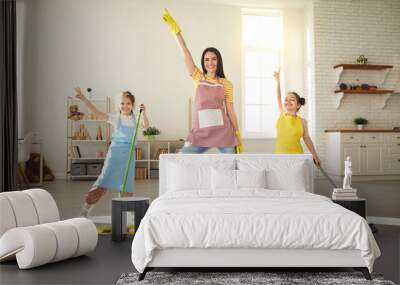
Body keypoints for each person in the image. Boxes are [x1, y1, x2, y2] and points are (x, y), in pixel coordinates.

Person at [162, 9, 243, 154]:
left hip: (223, 132)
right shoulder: (198, 77)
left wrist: (237, 133)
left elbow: (230, 111)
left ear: (218, 61)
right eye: (206, 60)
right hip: (201, 132)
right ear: (203, 62)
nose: (210, 63)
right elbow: (184, 51)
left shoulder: (226, 84)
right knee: (183, 157)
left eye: (213, 59)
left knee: (232, 165)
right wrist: (176, 32)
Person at [74, 88, 150, 217]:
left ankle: (127, 217)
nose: (125, 106)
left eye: (128, 103)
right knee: (102, 184)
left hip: (128, 156)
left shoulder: (136, 118)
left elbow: (146, 126)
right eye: (122, 103)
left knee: (127, 187)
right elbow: (96, 112)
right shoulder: (116, 118)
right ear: (119, 105)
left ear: (132, 105)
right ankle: (86, 209)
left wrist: (144, 114)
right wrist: (83, 98)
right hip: (114, 155)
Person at [273, 70, 321, 165]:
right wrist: (278, 81)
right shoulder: (282, 114)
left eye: (292, 100)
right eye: (286, 100)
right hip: (279, 157)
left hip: (297, 158)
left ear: (298, 105)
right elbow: (278, 97)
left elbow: (307, 139)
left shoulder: (302, 122)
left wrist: (315, 155)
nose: (288, 101)